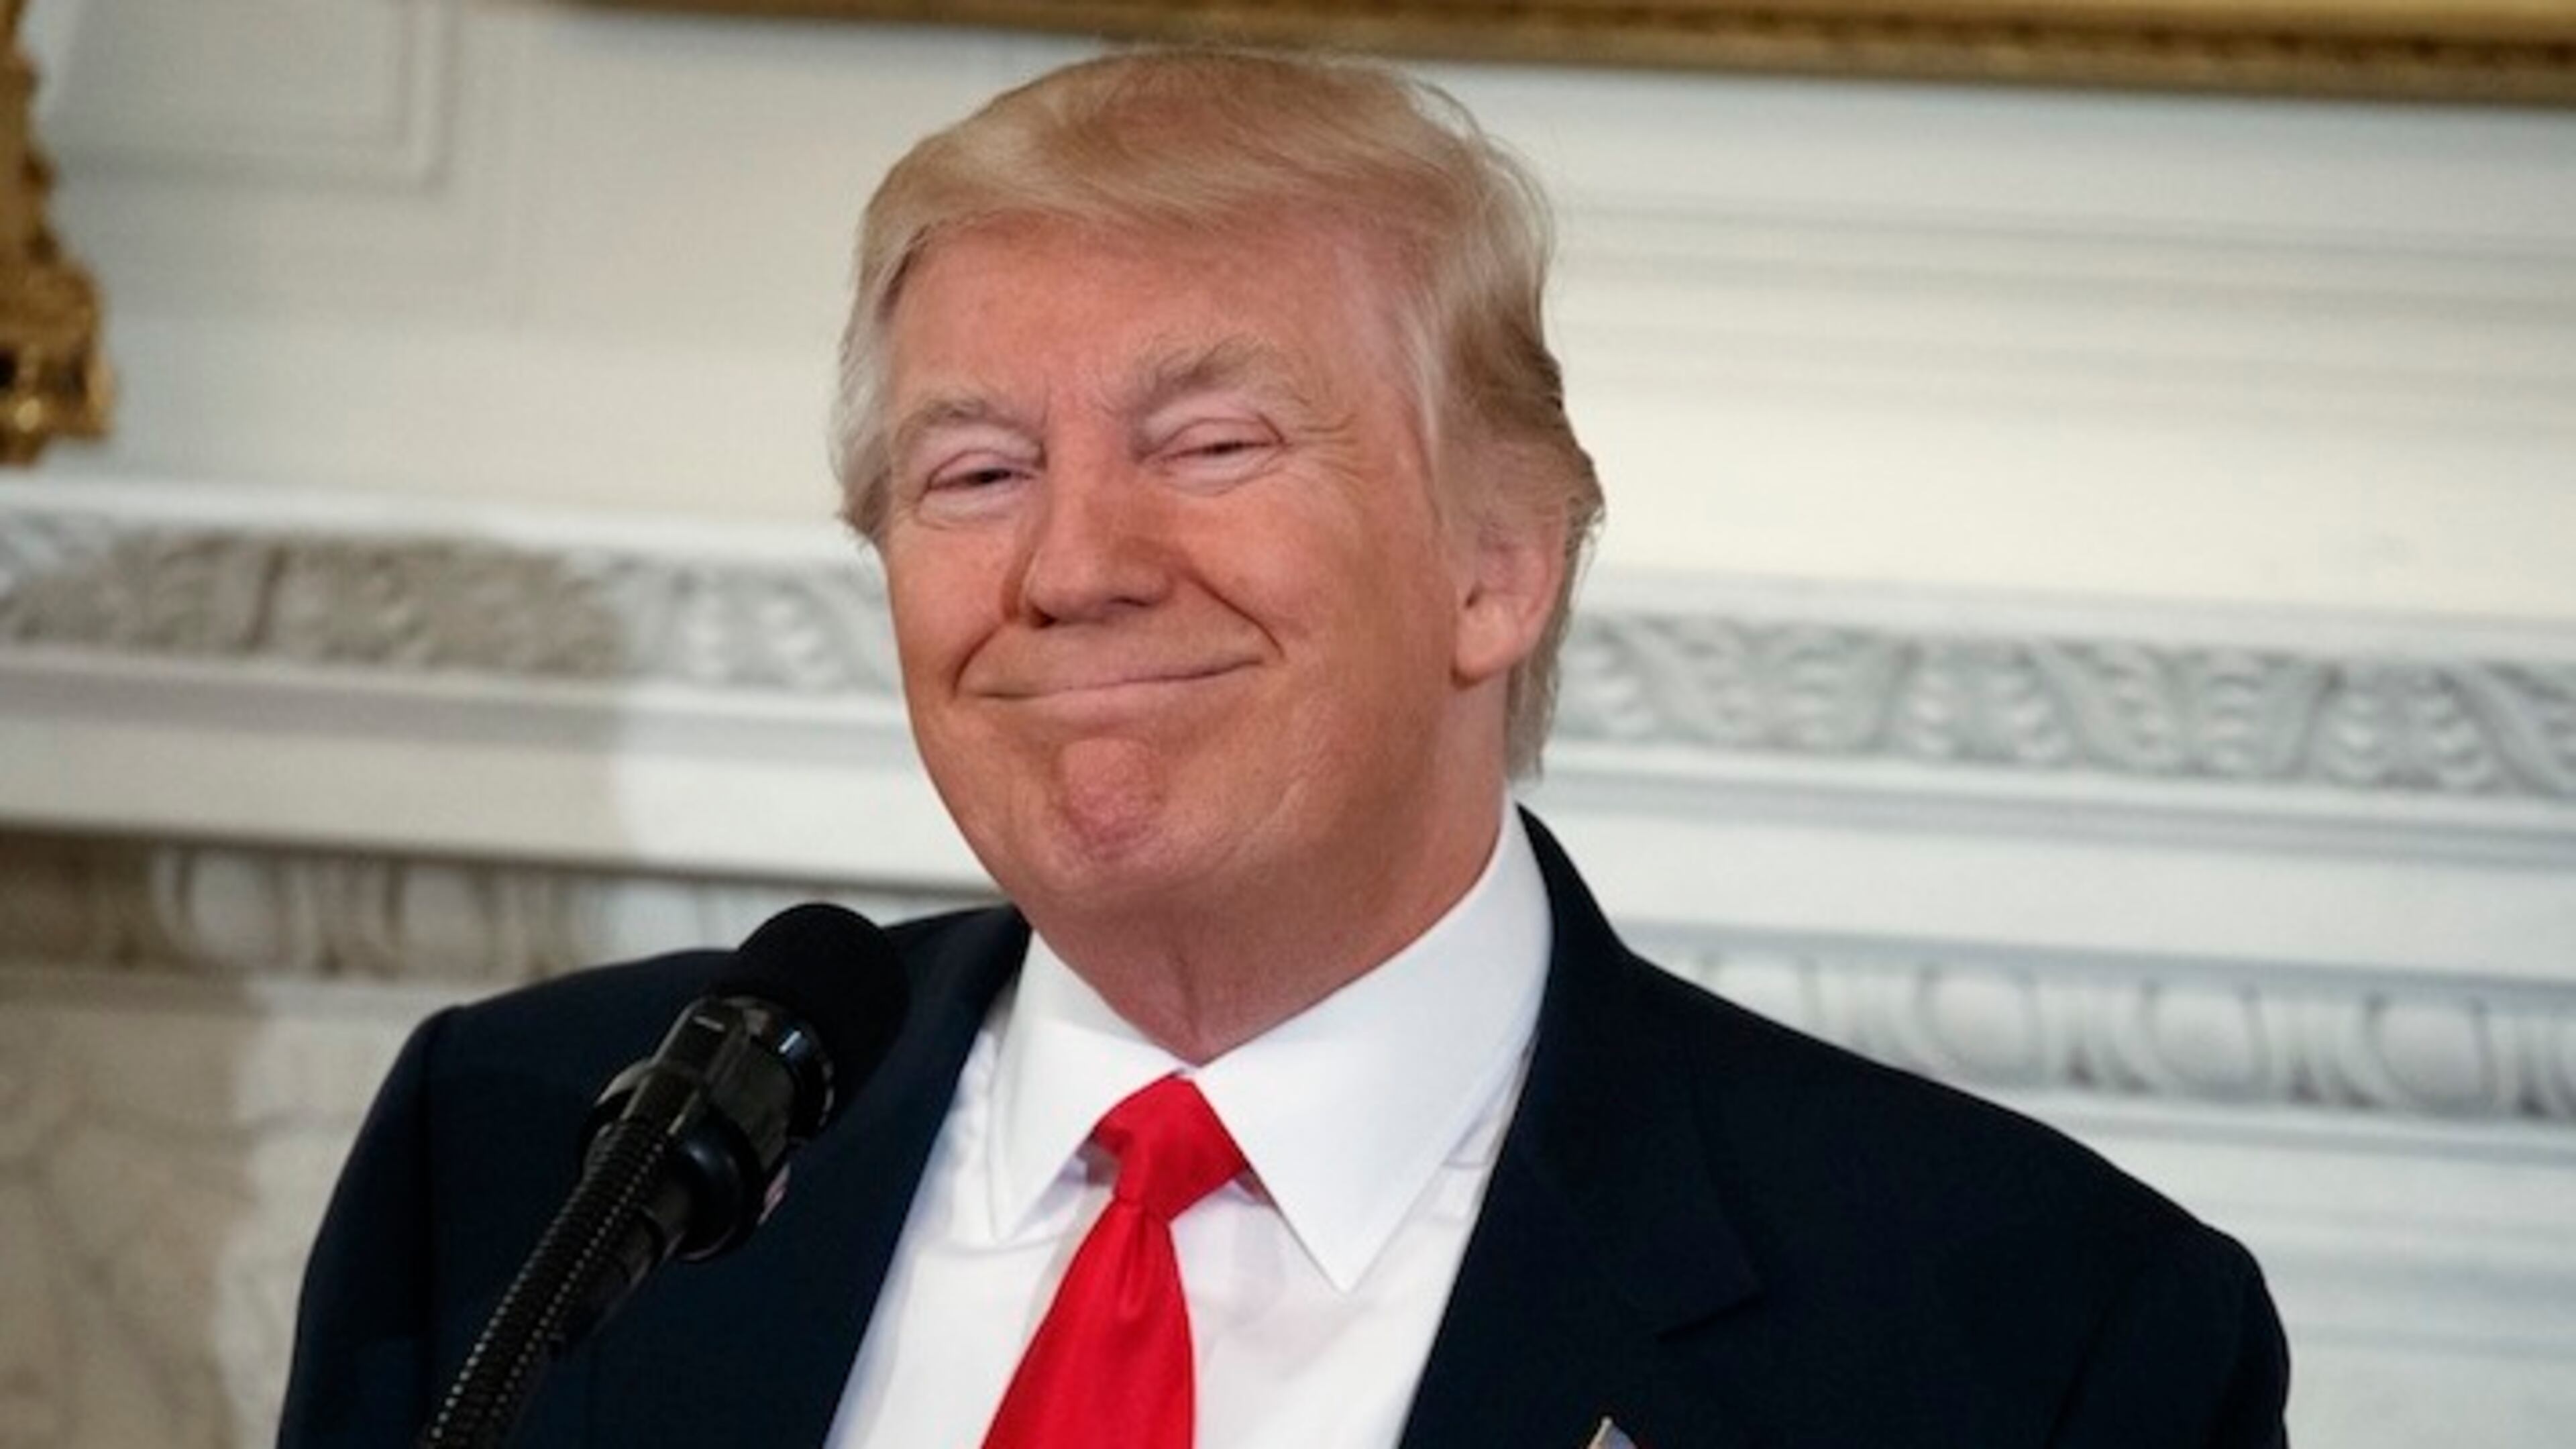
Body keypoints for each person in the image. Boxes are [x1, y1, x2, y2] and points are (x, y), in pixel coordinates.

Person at [280, 48, 2290, 1448]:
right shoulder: (539, 1151)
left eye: (1210, 446)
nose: (1072, 564)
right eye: (973, 470)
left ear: (1500, 564)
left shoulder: (2022, 1330)